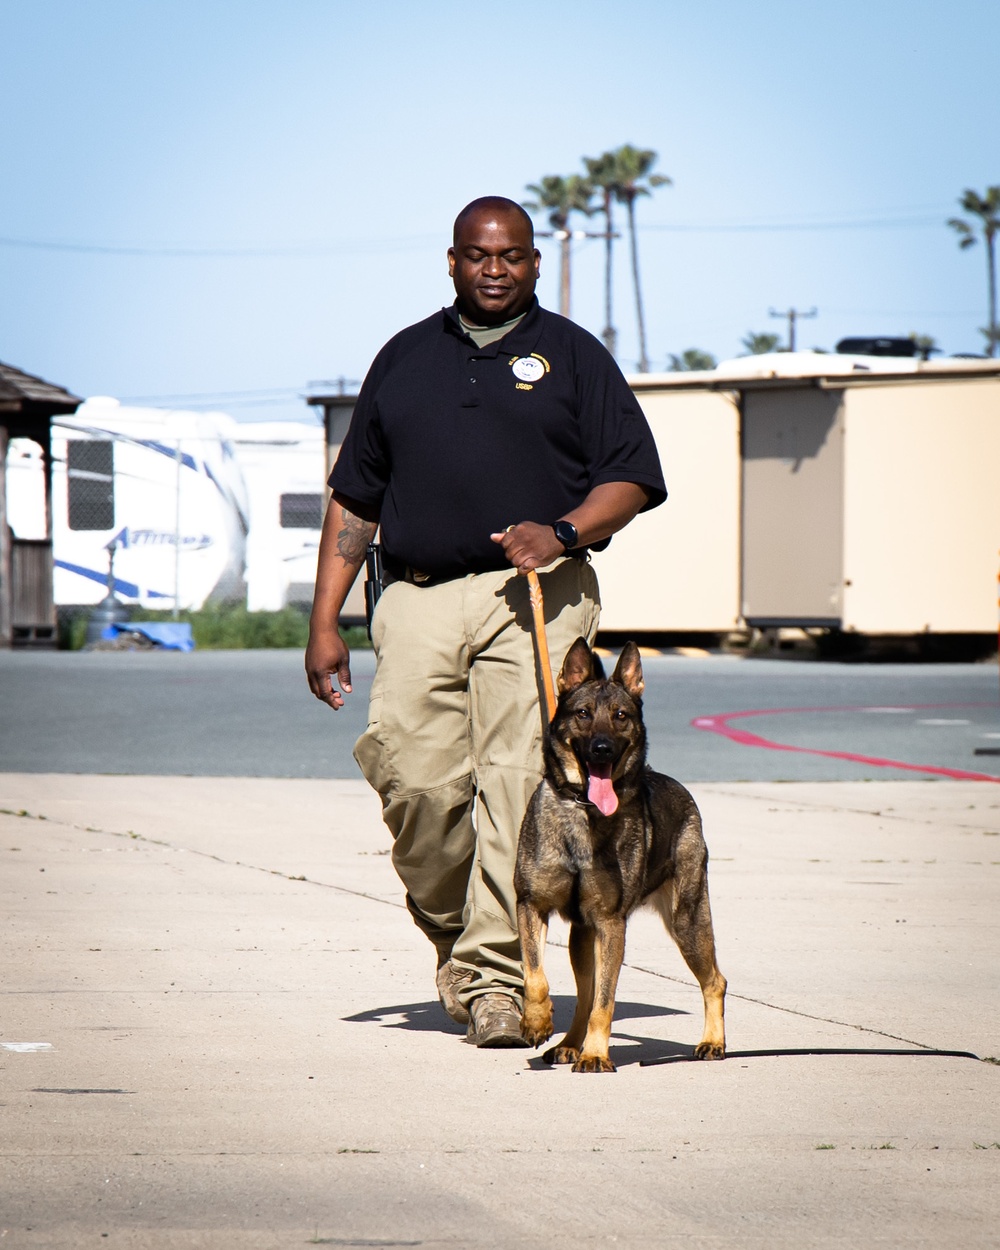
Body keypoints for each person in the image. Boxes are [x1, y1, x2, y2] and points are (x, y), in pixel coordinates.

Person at [305, 196, 666, 1047]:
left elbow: (634, 478)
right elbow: (355, 500)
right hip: (419, 595)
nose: (494, 269)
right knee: (414, 780)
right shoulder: (404, 358)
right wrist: (324, 621)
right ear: (453, 261)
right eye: (477, 255)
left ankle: (499, 980)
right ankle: (454, 931)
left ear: (535, 263)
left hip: (536, 594)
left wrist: (567, 529)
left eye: (510, 256)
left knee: (516, 785)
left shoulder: (575, 356)